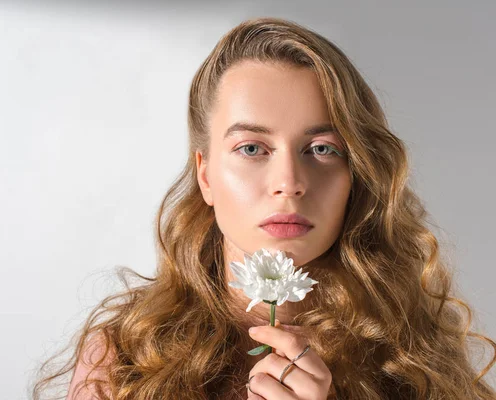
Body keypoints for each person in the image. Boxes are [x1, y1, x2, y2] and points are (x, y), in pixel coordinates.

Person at [31, 17, 496, 400]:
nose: (289, 184)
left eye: (322, 149)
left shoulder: (412, 357)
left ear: (356, 173)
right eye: (252, 149)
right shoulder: (127, 357)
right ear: (206, 175)